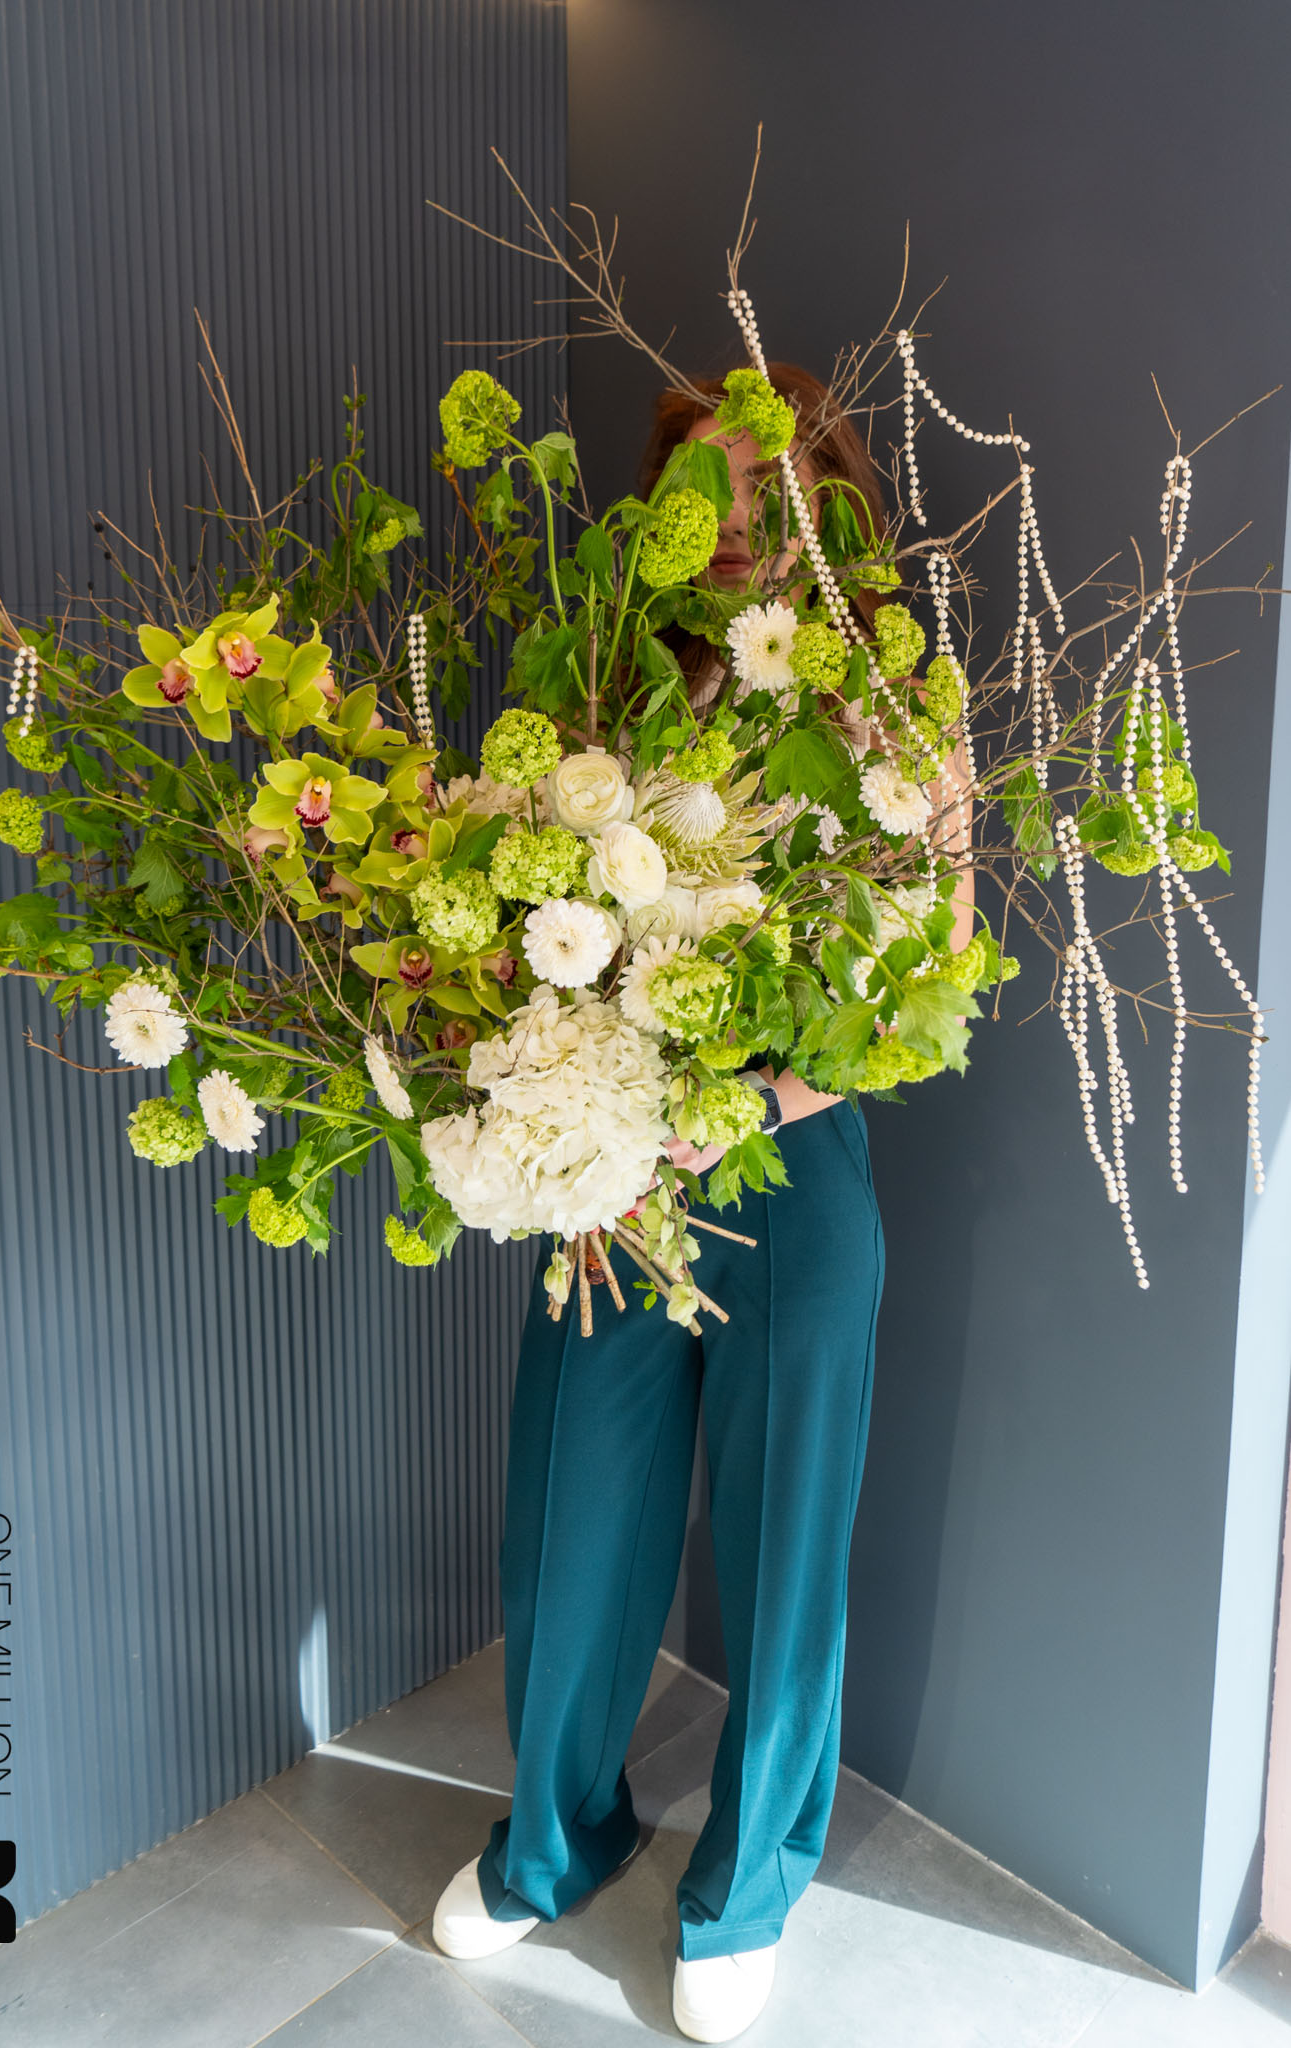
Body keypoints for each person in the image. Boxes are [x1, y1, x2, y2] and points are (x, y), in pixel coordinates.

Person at [430, 363, 973, 2044]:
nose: (731, 526)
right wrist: (567, 1096)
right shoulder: (616, 678)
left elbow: (939, 974)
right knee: (572, 1512)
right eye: (699, 491)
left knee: (786, 1538)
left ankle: (748, 1884)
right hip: (608, 1168)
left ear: (826, 497)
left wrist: (748, 1106)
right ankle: (553, 1838)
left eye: (761, 490)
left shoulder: (895, 694)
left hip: (791, 1169)